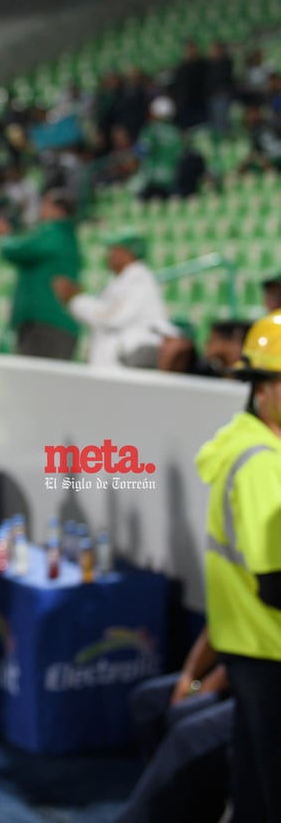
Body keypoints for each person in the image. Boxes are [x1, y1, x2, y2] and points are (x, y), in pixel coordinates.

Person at [195, 311, 281, 822]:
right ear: (264, 388)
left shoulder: (243, 443)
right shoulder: (263, 464)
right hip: (268, 645)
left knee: (256, 782)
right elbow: (275, 582)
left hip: (247, 642)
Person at [116, 626, 233, 823]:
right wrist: (189, 678)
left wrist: (203, 688)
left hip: (259, 680)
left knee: (186, 730)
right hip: (236, 670)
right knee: (148, 703)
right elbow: (214, 627)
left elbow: (259, 654)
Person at [53, 228, 175, 369]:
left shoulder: (138, 279)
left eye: (114, 250)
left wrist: (76, 300)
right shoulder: (122, 280)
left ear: (127, 253)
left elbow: (112, 317)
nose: (109, 255)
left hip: (129, 364)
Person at [0, 186, 81, 359]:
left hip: (46, 323)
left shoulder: (54, 233)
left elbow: (16, 250)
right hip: (50, 324)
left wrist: (4, 236)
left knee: (35, 383)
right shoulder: (65, 236)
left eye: (45, 205)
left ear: (58, 210)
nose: (40, 209)